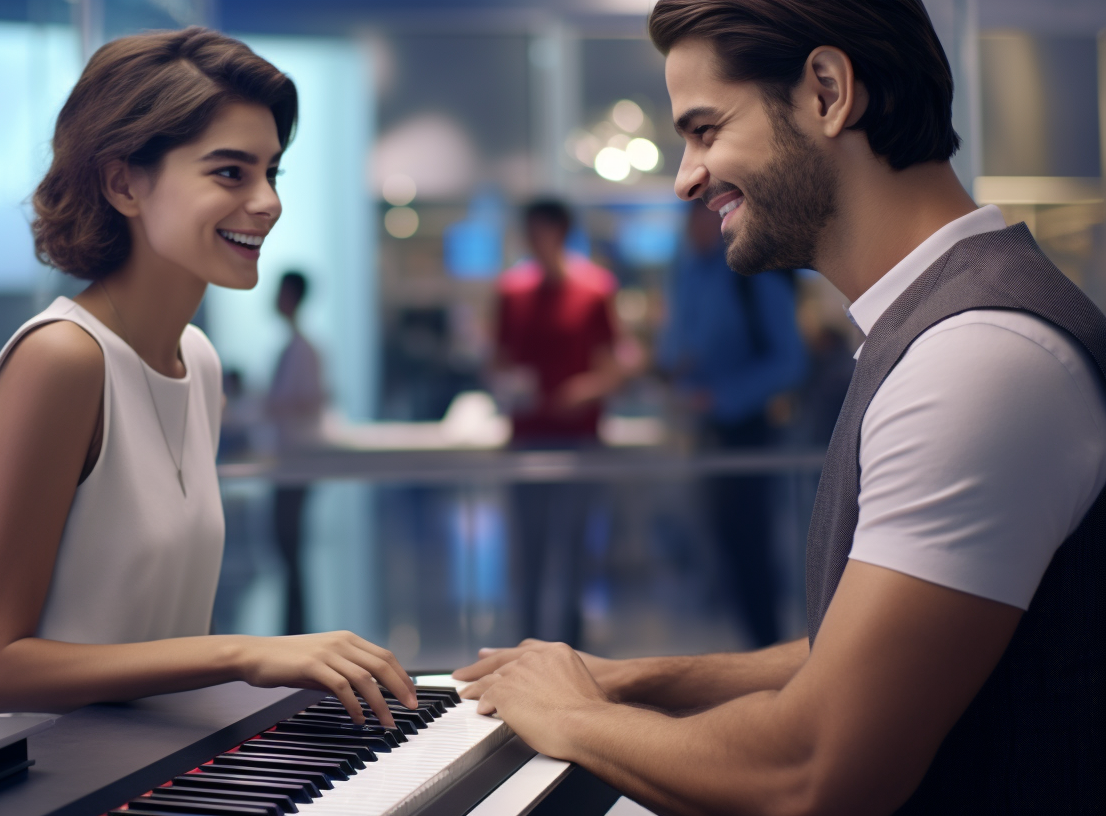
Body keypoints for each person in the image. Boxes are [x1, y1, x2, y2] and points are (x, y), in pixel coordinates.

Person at [455, 1, 1106, 813]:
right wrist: (633, 681)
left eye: (705, 129)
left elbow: (812, 773)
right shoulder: (946, 332)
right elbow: (867, 652)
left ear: (829, 92)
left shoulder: (979, 357)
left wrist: (573, 716)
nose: (686, 176)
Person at [0, 28, 417, 722]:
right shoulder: (63, 358)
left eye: (272, 172)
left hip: (157, 765)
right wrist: (243, 655)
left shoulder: (196, 361)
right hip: (41, 778)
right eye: (231, 172)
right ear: (123, 183)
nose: (268, 202)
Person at [658, 198, 807, 647]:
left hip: (747, 431)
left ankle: (768, 654)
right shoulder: (688, 272)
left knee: (752, 550)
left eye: (701, 213)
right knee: (719, 551)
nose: (693, 225)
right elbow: (676, 346)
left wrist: (722, 397)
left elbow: (790, 361)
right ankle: (751, 656)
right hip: (703, 432)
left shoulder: (752, 275)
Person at [492, 199, 632, 647]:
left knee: (572, 553)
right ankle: (526, 652)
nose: (537, 241)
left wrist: (585, 390)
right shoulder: (512, 291)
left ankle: (571, 653)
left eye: (543, 231)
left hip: (578, 440)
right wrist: (510, 388)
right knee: (529, 555)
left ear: (561, 233)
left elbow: (614, 367)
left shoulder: (594, 290)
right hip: (527, 438)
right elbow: (497, 362)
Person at [266, 270, 326, 635]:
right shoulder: (294, 347)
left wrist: (273, 406)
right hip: (287, 459)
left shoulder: (304, 350)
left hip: (296, 460)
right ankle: (294, 627)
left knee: (289, 548)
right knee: (286, 550)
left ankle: (297, 629)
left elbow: (310, 401)